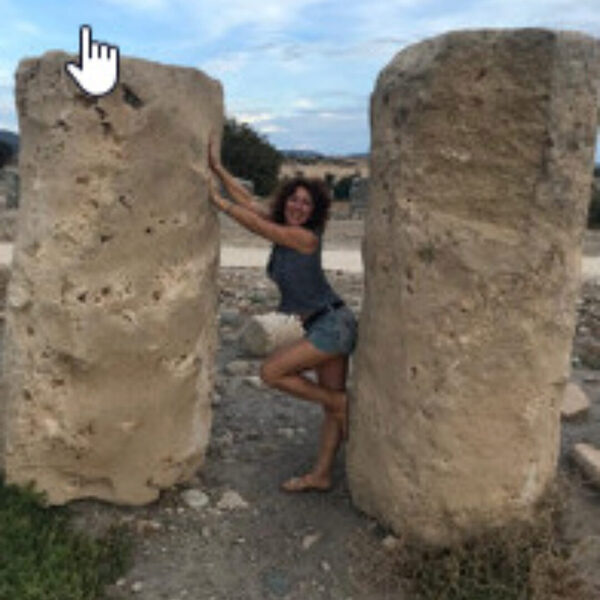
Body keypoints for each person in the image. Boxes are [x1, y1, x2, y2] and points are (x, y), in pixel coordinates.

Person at [203, 137, 358, 493]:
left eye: (306, 203)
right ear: (285, 200)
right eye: (294, 199)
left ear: (314, 211)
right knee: (333, 411)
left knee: (272, 372)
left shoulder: (305, 238)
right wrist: (218, 170)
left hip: (333, 324)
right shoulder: (284, 226)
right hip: (325, 323)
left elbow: (261, 227)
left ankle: (339, 401)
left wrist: (218, 203)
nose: (298, 206)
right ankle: (321, 474)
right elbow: (250, 203)